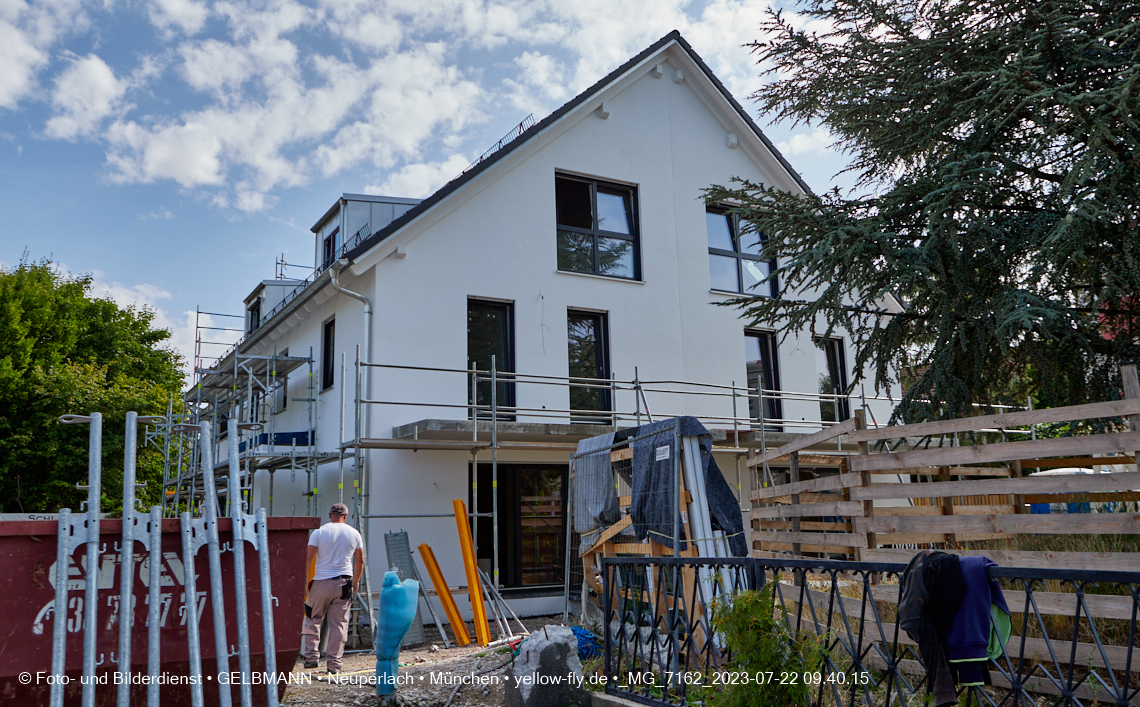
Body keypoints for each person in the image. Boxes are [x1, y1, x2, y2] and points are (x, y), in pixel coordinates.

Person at [301, 502, 364, 673]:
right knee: (339, 624)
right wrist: (356, 581)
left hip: (321, 582)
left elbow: (308, 558)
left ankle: (311, 657)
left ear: (330, 515)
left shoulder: (319, 532)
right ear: (345, 516)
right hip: (344, 583)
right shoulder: (354, 533)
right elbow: (360, 561)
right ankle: (334, 664)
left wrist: (302, 581)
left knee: (312, 618)